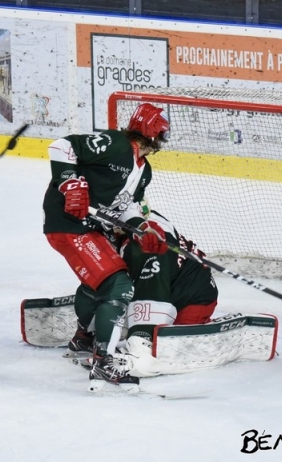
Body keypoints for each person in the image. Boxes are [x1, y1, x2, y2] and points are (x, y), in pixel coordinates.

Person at [42, 103, 170, 392]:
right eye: (162, 134)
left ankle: (83, 339)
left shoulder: (143, 169)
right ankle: (104, 361)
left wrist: (143, 228)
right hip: (69, 223)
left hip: (91, 227)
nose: (163, 141)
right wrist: (69, 183)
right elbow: (61, 147)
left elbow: (128, 207)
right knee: (118, 286)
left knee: (99, 282)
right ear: (151, 131)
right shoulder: (115, 144)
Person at [118, 203, 219, 377]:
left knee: (171, 340)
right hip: (170, 286)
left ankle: (149, 338)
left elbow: (150, 284)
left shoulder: (149, 239)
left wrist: (141, 337)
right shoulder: (136, 230)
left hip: (193, 298)